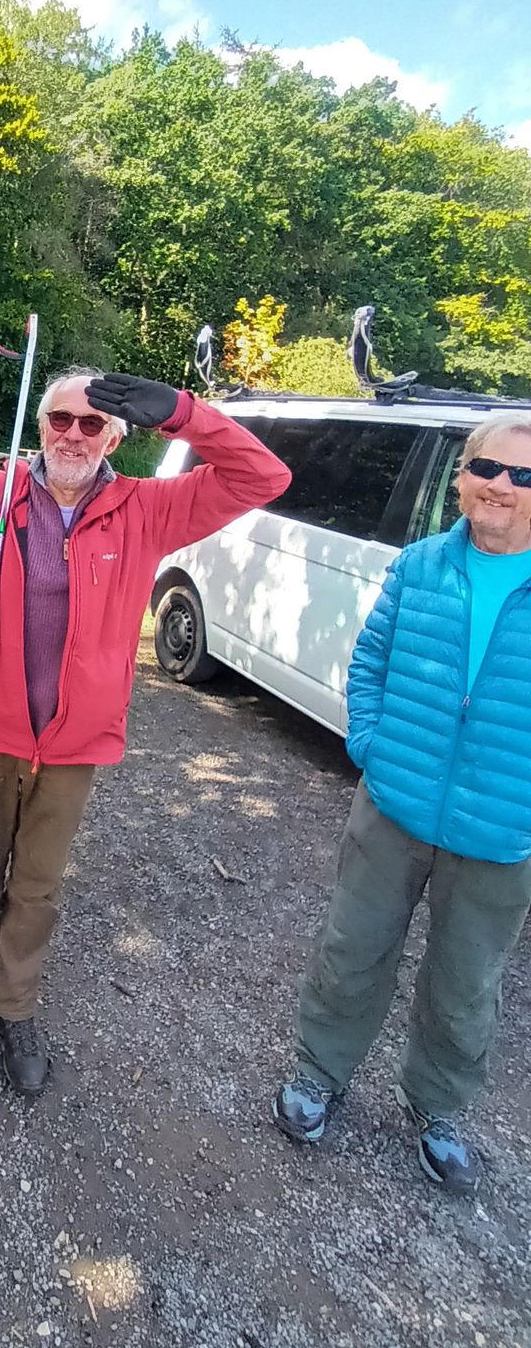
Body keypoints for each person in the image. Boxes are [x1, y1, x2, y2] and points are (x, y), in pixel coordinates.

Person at [0, 368, 290, 1095]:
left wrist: (185, 413)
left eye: (93, 424)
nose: (74, 436)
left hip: (74, 742)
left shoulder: (147, 509)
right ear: (41, 426)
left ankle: (15, 1004)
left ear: (118, 435)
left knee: (39, 886)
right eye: (61, 420)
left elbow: (262, 476)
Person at [272, 415, 531, 1194]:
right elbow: (372, 659)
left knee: (466, 982)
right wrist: (371, 747)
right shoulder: (420, 566)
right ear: (462, 476)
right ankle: (319, 1074)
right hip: (393, 801)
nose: (501, 487)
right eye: (488, 468)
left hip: (500, 830)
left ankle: (439, 1108)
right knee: (352, 949)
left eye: (524, 477)